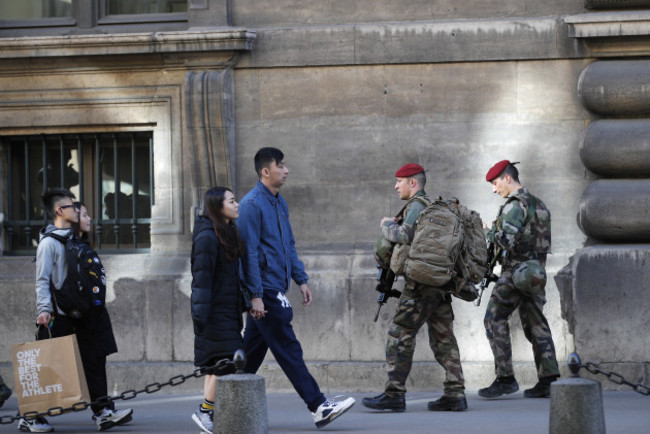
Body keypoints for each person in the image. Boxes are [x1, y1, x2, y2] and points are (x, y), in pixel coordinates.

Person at [238, 147, 355, 429]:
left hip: (276, 286)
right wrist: (255, 295)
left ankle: (214, 405)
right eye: (281, 165)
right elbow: (248, 254)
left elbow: (288, 244)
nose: (287, 169)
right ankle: (318, 405)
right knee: (288, 347)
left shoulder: (279, 202)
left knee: (247, 358)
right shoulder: (251, 205)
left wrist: (301, 279)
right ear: (266, 171)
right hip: (265, 290)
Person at [19, 189, 133, 433]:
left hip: (79, 313)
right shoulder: (49, 243)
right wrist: (44, 309)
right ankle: (30, 416)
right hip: (58, 315)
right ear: (60, 211)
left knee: (93, 359)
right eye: (72, 206)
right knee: (49, 366)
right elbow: (42, 279)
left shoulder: (72, 239)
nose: (77, 209)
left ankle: (102, 412)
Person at [362, 163, 468, 413]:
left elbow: (405, 235)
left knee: (400, 334)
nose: (395, 185)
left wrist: (386, 225)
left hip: (420, 284)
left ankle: (394, 394)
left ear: (413, 182)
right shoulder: (432, 206)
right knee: (444, 337)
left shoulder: (417, 206)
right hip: (439, 282)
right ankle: (455, 393)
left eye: (399, 181)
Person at [479, 160, 560, 399]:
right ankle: (549, 379)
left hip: (515, 271)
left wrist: (486, 230)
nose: (495, 190)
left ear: (507, 178)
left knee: (493, 319)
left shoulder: (514, 206)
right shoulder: (540, 204)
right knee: (536, 324)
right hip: (535, 273)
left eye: (495, 183)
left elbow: (506, 241)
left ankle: (505, 378)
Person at [190, 187, 247, 434]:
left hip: (226, 310)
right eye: (232, 201)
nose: (237, 205)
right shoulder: (207, 237)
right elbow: (201, 280)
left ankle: (208, 413)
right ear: (217, 206)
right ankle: (204, 411)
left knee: (216, 364)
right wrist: (201, 317)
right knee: (225, 363)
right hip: (214, 314)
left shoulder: (224, 232)